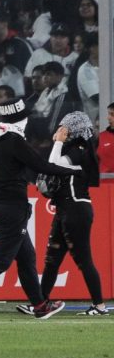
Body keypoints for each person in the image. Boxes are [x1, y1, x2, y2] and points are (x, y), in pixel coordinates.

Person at [0, 98, 78, 320]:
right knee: (0, 259)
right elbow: (40, 165)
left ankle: (40, 305)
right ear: (20, 118)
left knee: (26, 257)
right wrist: (73, 172)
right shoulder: (14, 140)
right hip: (11, 208)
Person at [20, 112, 107, 316]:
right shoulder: (75, 149)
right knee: (52, 259)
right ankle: (40, 303)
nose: (59, 133)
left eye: (64, 129)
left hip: (76, 210)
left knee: (83, 259)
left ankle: (100, 305)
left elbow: (53, 166)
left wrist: (58, 143)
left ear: (74, 131)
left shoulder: (79, 150)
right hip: (65, 209)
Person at [97, 103, 114, 173]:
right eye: (108, 114)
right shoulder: (101, 137)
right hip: (104, 182)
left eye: (112, 115)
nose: (108, 118)